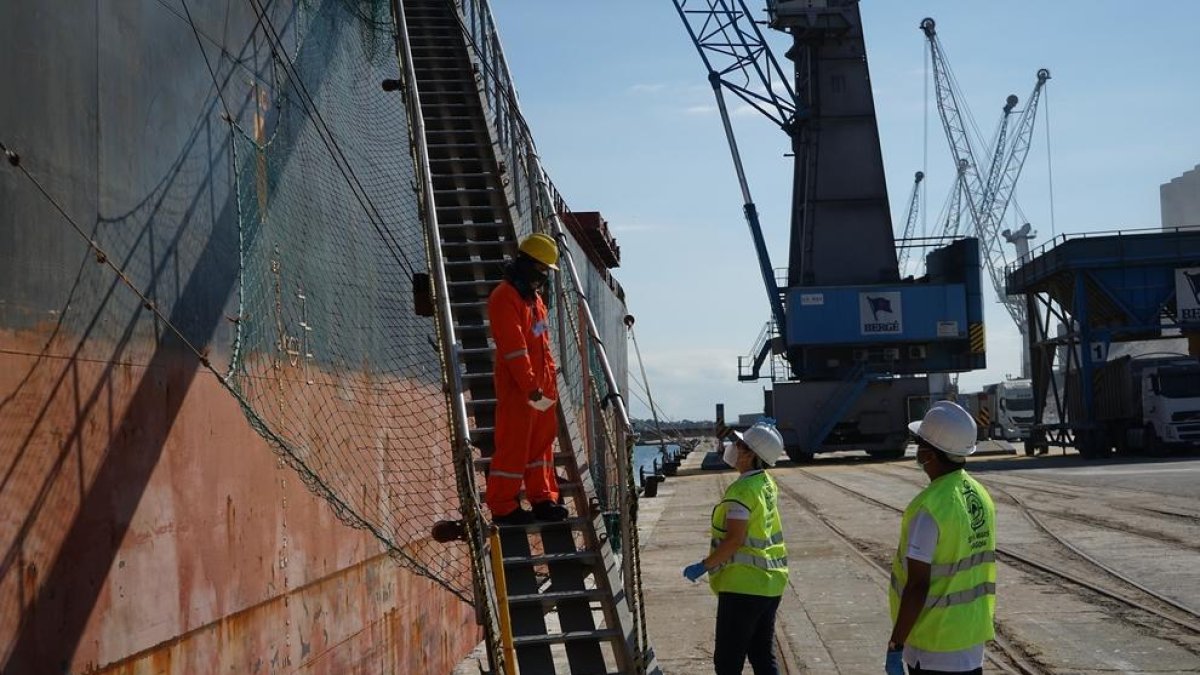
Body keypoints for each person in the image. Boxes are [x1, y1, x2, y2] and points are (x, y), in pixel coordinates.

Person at [886, 401, 997, 675]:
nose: (917, 451)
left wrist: (896, 644)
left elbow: (917, 586)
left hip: (934, 647)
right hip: (970, 643)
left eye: (919, 444)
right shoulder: (980, 496)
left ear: (930, 455)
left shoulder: (930, 509)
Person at [683, 421, 788, 675]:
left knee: (728, 662)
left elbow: (735, 540)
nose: (734, 447)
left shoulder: (741, 491)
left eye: (740, 444)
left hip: (743, 587)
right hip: (771, 583)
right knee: (762, 655)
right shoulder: (765, 483)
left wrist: (704, 566)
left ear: (751, 454)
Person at [485, 233, 568, 525]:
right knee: (514, 444)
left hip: (542, 388)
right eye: (542, 269)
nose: (544, 276)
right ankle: (503, 505)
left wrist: (546, 386)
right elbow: (515, 350)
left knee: (541, 446)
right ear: (529, 265)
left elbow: (541, 342)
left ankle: (543, 498)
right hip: (521, 391)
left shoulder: (535, 302)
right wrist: (531, 387)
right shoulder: (504, 298)